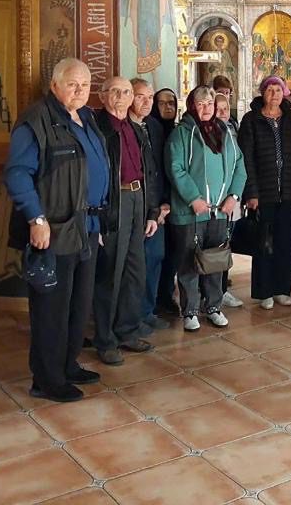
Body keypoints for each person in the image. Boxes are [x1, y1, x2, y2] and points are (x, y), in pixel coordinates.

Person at [4, 58, 109, 402]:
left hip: (88, 226)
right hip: (55, 228)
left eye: (85, 85)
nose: (80, 90)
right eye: (72, 84)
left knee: (79, 304)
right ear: (54, 85)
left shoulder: (87, 117)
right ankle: (47, 379)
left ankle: (67, 364)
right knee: (52, 308)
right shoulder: (35, 121)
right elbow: (17, 174)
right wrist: (36, 219)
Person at [93, 77, 161, 366]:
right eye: (116, 91)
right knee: (111, 272)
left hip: (137, 200)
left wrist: (152, 211)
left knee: (135, 269)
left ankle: (127, 330)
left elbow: (149, 171)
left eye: (127, 92)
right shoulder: (97, 127)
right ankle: (105, 339)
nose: (121, 97)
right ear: (103, 95)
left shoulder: (135, 128)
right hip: (114, 203)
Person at [167, 86, 246, 331]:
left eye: (209, 103)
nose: (206, 108)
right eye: (200, 104)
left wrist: (234, 196)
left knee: (215, 260)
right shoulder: (181, 133)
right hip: (192, 212)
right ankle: (190, 310)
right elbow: (176, 168)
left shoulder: (225, 132)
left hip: (219, 210)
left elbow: (239, 165)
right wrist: (193, 198)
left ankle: (213, 306)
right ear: (192, 106)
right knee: (189, 261)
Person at [238, 76, 291, 309]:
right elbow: (246, 159)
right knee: (264, 243)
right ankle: (265, 292)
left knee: (286, 242)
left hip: (289, 191)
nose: (274, 94)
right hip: (263, 193)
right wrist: (251, 192)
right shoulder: (251, 120)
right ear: (263, 93)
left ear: (284, 93)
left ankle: (282, 289)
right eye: (270, 90)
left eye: (278, 90)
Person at [129, 78, 172, 335]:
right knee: (135, 266)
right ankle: (132, 317)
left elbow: (161, 168)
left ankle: (147, 311)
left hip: (157, 208)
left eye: (149, 97)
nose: (146, 102)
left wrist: (164, 204)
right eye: (140, 96)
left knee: (155, 258)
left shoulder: (154, 126)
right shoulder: (123, 127)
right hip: (135, 208)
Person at [211, 90, 243, 309]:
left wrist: (236, 194)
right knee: (212, 248)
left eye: (225, 109)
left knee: (225, 245)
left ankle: (221, 289)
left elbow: (239, 164)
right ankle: (211, 292)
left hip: (232, 198)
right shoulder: (206, 132)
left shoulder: (233, 129)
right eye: (218, 109)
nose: (222, 113)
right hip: (213, 200)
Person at [151, 88, 180, 315]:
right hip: (158, 204)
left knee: (173, 253)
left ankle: (167, 295)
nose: (168, 107)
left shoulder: (177, 131)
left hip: (177, 202)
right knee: (155, 255)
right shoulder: (150, 130)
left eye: (171, 103)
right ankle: (153, 300)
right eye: (162, 103)